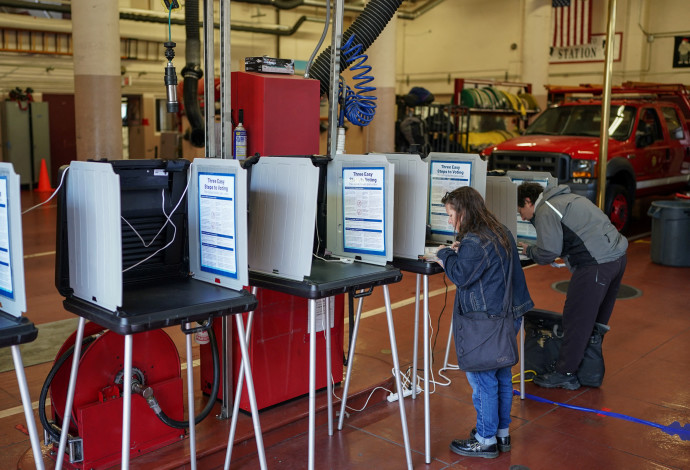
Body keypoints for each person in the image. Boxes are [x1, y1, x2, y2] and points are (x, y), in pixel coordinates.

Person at [435, 187, 534, 459]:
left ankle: (485, 439)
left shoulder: (474, 241)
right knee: (502, 374)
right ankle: (501, 433)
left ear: (464, 212)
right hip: (508, 314)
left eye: (451, 214)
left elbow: (461, 275)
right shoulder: (500, 230)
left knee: (482, 379)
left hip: (486, 323)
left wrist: (444, 254)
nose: (449, 221)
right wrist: (460, 250)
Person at [516, 182, 628, 390]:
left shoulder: (546, 209)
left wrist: (530, 251)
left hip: (596, 264)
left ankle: (565, 373)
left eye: (520, 210)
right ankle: (589, 368)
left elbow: (548, 251)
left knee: (576, 319)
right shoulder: (568, 198)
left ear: (529, 201)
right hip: (617, 257)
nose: (522, 217)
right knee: (595, 321)